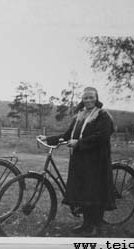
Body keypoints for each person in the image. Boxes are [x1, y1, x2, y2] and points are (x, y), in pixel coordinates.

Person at [39, 87, 116, 236]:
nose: (88, 100)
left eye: (91, 97)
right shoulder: (79, 116)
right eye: (85, 98)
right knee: (84, 193)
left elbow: (101, 136)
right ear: (82, 99)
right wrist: (48, 138)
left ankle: (96, 225)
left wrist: (79, 143)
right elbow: (68, 135)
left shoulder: (103, 116)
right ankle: (86, 224)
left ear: (97, 98)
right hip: (80, 160)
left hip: (96, 161)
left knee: (95, 193)